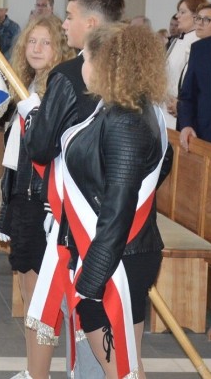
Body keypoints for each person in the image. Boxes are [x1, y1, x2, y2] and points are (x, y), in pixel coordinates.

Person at [21, 0, 125, 377]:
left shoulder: (69, 74)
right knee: (120, 319)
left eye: (69, 16)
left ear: (92, 22)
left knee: (85, 306)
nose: (64, 24)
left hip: (78, 217)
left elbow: (42, 147)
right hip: (127, 216)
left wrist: (32, 116)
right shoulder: (137, 73)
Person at [63, 23, 170, 379]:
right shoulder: (131, 110)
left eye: (87, 59)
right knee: (127, 366)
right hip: (123, 252)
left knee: (121, 371)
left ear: (107, 64)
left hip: (116, 258)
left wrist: (92, 277)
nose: (82, 68)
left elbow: (120, 205)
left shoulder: (126, 120)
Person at [0, 15, 74, 379]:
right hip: (23, 202)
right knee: (29, 293)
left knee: (46, 300)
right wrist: (5, 213)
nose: (37, 48)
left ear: (59, 48)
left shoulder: (61, 91)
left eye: (46, 42)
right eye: (32, 42)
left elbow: (52, 152)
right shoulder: (24, 88)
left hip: (48, 206)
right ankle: (32, 370)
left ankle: (40, 373)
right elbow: (13, 161)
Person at [178, 3, 211, 148]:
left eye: (206, 20)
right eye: (198, 19)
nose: (200, 24)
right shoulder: (197, 49)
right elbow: (188, 91)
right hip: (197, 127)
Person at [163, 0, 208, 129]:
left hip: (179, 110)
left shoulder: (197, 43)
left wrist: (181, 105)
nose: (177, 16)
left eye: (183, 12)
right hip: (166, 107)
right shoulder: (178, 40)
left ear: (196, 16)